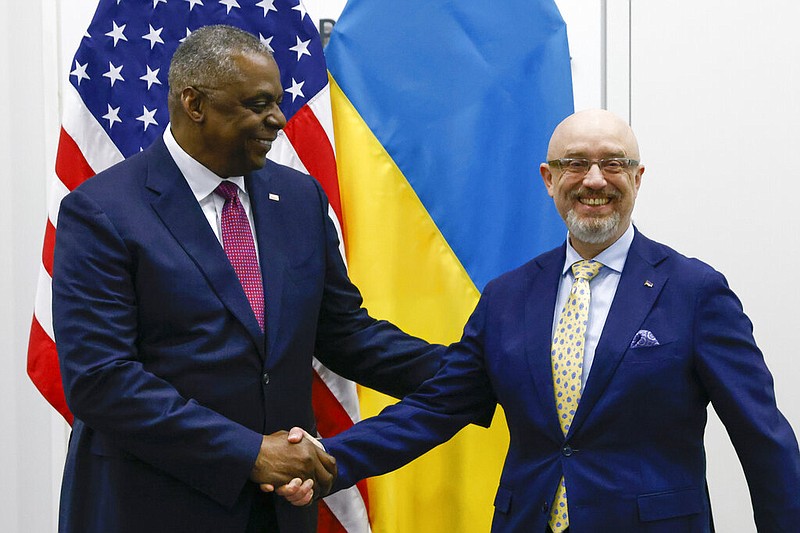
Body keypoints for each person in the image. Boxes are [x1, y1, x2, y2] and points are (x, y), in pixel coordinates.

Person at [290, 109, 800, 531]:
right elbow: (435, 408)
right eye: (575, 163)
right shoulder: (508, 296)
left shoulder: (695, 291)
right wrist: (328, 463)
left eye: (614, 164)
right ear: (548, 179)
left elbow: (761, 435)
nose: (594, 180)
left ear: (638, 178)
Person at [51, 25, 444, 533]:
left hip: (277, 513)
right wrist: (249, 453)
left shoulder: (300, 199)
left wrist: (469, 369)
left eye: (277, 102)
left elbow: (344, 334)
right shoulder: (102, 212)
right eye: (258, 104)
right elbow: (100, 379)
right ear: (194, 104)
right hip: (151, 505)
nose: (278, 119)